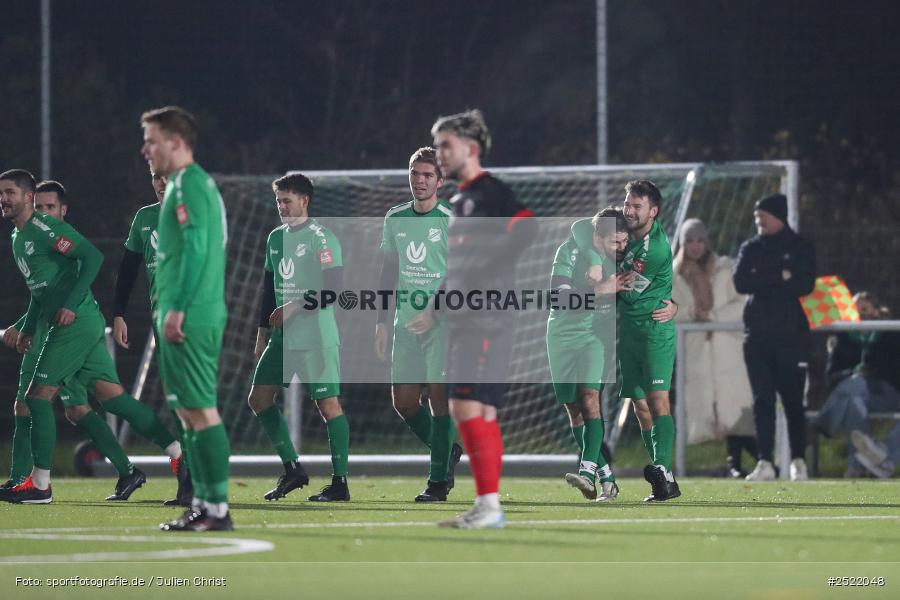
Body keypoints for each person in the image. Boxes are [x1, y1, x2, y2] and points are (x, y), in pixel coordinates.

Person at [0, 170, 182, 504]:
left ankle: (38, 485)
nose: (4, 199)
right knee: (108, 398)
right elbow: (39, 291)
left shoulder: (46, 230)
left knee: (35, 399)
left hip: (73, 325)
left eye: (10, 192)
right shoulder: (18, 238)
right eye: (1, 193)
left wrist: (69, 306)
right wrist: (27, 328)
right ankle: (174, 452)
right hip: (67, 323)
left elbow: (93, 258)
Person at [432, 109, 536, 528]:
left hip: (487, 316)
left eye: (445, 145)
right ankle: (487, 505)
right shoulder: (457, 200)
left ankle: (489, 506)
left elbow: (527, 226)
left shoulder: (490, 192)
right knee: (479, 409)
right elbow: (461, 264)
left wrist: (486, 272)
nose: (440, 153)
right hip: (465, 315)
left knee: (466, 405)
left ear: (470, 149)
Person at [142, 106, 232, 531]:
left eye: (152, 140)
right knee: (185, 413)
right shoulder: (180, 185)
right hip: (179, 313)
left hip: (191, 314)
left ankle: (216, 508)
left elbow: (197, 250)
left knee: (201, 409)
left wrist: (178, 308)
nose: (146, 149)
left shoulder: (190, 185)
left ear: (176, 143)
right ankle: (203, 503)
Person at [251, 173, 350, 502]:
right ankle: (293, 469)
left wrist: (295, 305)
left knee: (328, 405)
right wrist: (262, 331)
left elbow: (333, 291)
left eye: (286, 200)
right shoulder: (275, 238)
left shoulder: (321, 238)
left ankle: (340, 484)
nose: (281, 206)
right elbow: (268, 288)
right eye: (278, 200)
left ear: (304, 201)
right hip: (281, 338)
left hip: (315, 336)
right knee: (259, 399)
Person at [569, 206, 679, 500]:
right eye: (614, 241)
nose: (620, 245)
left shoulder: (649, 248)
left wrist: (675, 306)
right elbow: (580, 226)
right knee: (640, 406)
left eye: (636, 205)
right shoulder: (603, 247)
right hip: (621, 336)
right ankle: (651, 476)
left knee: (657, 400)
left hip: (652, 332)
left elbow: (639, 290)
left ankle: (663, 472)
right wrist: (594, 258)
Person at [375, 147, 462, 502]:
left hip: (443, 324)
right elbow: (387, 271)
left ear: (440, 181)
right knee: (406, 403)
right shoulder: (395, 217)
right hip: (403, 323)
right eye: (415, 174)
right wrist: (381, 322)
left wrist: (435, 311)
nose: (420, 181)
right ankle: (448, 453)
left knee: (440, 402)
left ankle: (437, 482)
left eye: (427, 175)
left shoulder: (453, 218)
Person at [113, 165, 193, 506]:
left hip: (191, 321)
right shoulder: (144, 218)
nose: (160, 184)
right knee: (178, 402)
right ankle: (191, 484)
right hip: (162, 323)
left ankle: (198, 485)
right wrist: (118, 313)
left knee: (192, 403)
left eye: (166, 177)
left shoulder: (192, 214)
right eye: (155, 178)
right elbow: (128, 269)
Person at [733, 193, 816, 481]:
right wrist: (779, 277)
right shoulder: (751, 247)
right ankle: (765, 461)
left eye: (763, 216)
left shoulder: (800, 246)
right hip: (756, 336)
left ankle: (798, 460)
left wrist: (766, 280)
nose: (759, 221)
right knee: (762, 400)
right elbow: (741, 282)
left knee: (793, 401)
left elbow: (804, 284)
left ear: (778, 216)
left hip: (791, 337)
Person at [552, 208, 627, 502]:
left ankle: (586, 472)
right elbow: (558, 296)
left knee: (590, 397)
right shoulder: (570, 252)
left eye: (624, 241)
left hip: (596, 336)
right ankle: (606, 479)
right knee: (574, 409)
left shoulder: (622, 258)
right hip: (561, 335)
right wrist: (600, 289)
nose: (621, 248)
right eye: (615, 243)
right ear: (597, 238)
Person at [671, 218, 756, 478]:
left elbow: (744, 303)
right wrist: (691, 312)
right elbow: (664, 310)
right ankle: (756, 461)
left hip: (728, 347)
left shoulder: (726, 268)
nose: (695, 246)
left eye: (700, 240)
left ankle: (744, 461)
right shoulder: (672, 275)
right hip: (695, 351)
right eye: (690, 241)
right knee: (707, 410)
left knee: (735, 408)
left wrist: (714, 317)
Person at [815, 291, 900, 477]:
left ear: (876, 311)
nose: (859, 314)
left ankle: (826, 419)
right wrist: (853, 372)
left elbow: (894, 372)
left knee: (856, 387)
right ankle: (877, 462)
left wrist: (871, 364)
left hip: (885, 392)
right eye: (854, 310)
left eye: (864, 309)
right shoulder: (843, 338)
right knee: (854, 396)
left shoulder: (891, 334)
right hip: (857, 394)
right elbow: (832, 378)